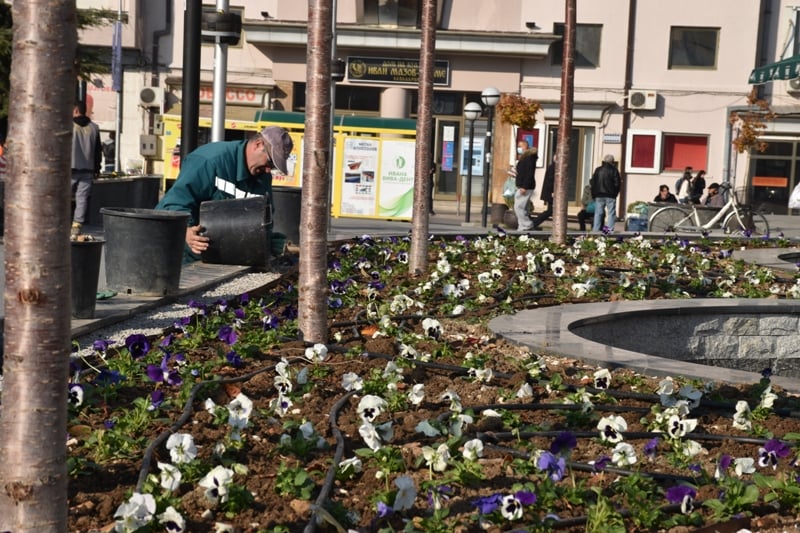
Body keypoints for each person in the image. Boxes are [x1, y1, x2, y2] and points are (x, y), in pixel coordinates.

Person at [155, 126, 294, 262]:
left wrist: (271, 242)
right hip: (181, 256)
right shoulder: (208, 161)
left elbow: (263, 220)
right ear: (258, 145)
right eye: (270, 161)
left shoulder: (262, 174)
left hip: (224, 257)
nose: (269, 170)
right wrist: (186, 231)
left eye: (274, 167)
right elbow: (174, 203)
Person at [71, 101, 102, 236]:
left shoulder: (69, 126)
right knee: (82, 198)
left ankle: (59, 221)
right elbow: (97, 151)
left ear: (76, 110)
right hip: (88, 169)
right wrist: (97, 169)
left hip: (70, 168)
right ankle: (77, 225)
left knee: (62, 196)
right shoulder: (94, 128)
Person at [590, 154, 621, 232]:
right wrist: (615, 194)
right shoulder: (614, 170)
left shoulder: (598, 170)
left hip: (599, 194)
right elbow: (617, 184)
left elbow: (593, 182)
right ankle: (609, 231)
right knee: (611, 213)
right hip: (610, 195)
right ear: (612, 162)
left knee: (598, 213)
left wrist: (594, 194)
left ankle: (595, 230)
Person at [513, 140, 538, 231]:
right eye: (518, 146)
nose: (519, 148)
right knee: (522, 207)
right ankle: (522, 226)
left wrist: (524, 186)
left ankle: (527, 224)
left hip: (526, 186)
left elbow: (529, 173)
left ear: (525, 146)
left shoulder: (529, 157)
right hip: (522, 185)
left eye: (520, 146)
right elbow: (523, 171)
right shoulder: (524, 157)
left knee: (518, 206)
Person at [531, 157, 555, 230]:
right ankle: (534, 223)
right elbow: (550, 181)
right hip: (551, 193)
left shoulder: (554, 167)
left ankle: (534, 223)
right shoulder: (553, 167)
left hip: (551, 192)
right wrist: (552, 191)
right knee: (550, 211)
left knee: (551, 211)